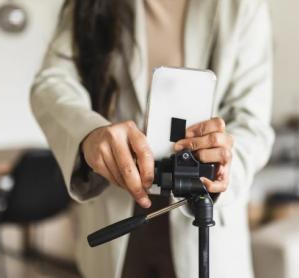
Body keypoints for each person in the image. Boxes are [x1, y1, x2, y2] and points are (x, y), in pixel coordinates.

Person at [30, 0, 274, 277]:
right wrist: (89, 133)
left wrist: (226, 164)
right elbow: (51, 83)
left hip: (204, 221)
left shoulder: (243, 6)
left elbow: (252, 121)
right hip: (116, 209)